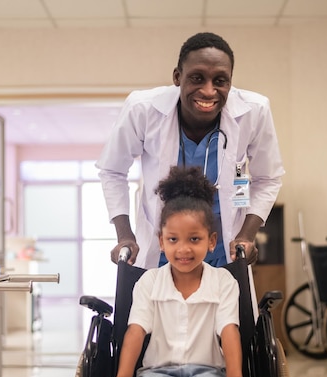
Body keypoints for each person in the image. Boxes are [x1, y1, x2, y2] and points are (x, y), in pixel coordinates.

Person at [97, 32, 285, 269]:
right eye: (197, 78)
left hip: (222, 249)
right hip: (165, 249)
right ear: (177, 77)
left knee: (226, 304)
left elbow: (268, 178)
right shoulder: (143, 109)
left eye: (220, 80)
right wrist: (125, 235)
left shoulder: (254, 111)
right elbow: (112, 170)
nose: (208, 91)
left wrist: (247, 235)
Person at [110, 166, 247, 377]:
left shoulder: (223, 281)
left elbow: (229, 331)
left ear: (211, 241)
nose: (183, 249)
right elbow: (135, 332)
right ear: (161, 241)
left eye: (194, 239)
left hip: (208, 371)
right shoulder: (149, 282)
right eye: (173, 239)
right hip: (156, 372)